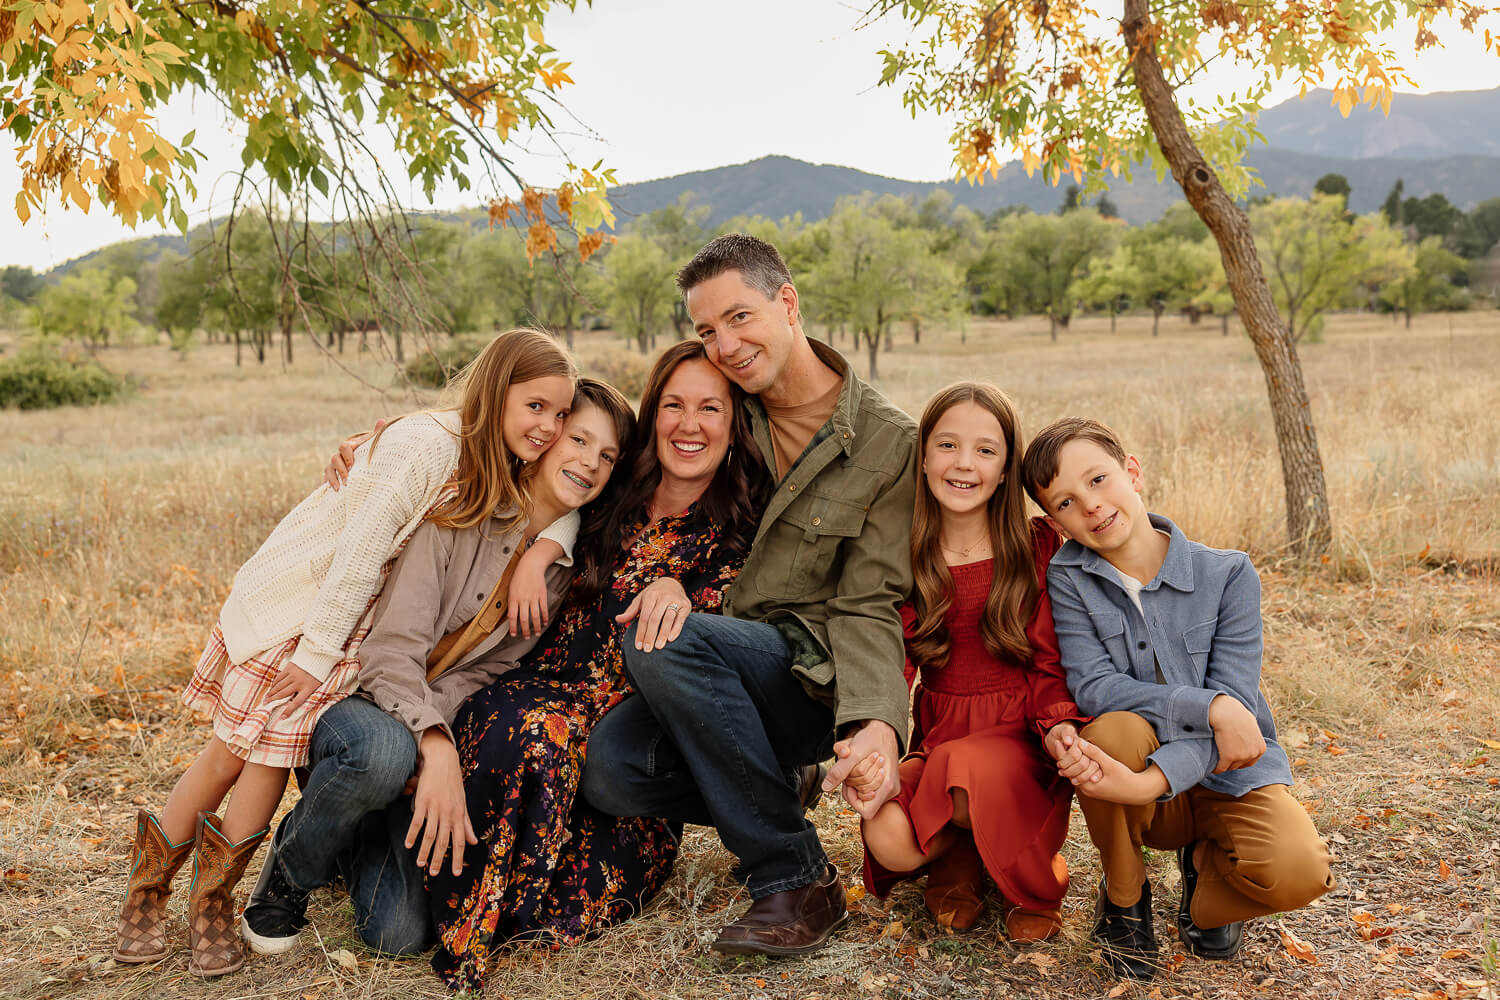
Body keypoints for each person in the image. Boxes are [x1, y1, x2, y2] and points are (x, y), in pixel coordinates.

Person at [112, 328, 577, 977]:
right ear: (497, 391)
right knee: (226, 757)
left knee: (269, 763)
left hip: (341, 635)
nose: (550, 427)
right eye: (536, 407)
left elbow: (569, 500)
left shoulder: (492, 458)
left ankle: (212, 903)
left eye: (560, 414)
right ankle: (147, 896)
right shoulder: (427, 446)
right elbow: (361, 549)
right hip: (300, 615)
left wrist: (552, 545)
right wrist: (315, 652)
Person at [580, 233, 917, 955]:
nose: (725, 345)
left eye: (739, 318)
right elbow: (594, 433)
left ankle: (795, 875)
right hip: (717, 677)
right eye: (706, 329)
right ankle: (776, 788)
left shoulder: (888, 443)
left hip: (803, 679)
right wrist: (423, 434)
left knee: (660, 635)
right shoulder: (731, 403)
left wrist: (878, 724)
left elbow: (869, 602)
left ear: (787, 303)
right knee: (613, 767)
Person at [236, 380, 631, 962]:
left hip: (418, 723)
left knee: (396, 935)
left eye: (607, 456)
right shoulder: (459, 510)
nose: (588, 462)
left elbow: (481, 675)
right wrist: (434, 744)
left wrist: (431, 732)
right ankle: (292, 868)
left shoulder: (559, 573)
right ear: (546, 437)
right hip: (356, 699)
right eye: (578, 439)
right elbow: (390, 652)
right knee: (381, 755)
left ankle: (346, 816)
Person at [428, 341, 773, 991]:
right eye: (673, 404)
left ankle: (511, 907)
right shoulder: (613, 486)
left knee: (578, 897)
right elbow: (520, 459)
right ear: (653, 413)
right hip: (539, 682)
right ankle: (469, 916)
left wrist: (682, 593)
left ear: (735, 424)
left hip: (627, 722)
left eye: (710, 408)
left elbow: (735, 638)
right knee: (527, 725)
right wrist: (539, 552)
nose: (689, 424)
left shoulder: (742, 528)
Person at [1020, 417, 1335, 981]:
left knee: (1299, 871)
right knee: (1109, 731)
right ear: (1056, 523)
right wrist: (1208, 707)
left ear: (1133, 471)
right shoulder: (1068, 577)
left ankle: (1207, 878)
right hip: (1140, 791)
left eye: (1098, 479)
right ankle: (1124, 896)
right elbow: (1093, 685)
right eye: (1066, 501)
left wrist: (1212, 721)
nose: (1090, 505)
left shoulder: (1229, 573)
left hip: (1229, 775)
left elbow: (1236, 727)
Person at [856, 383, 1098, 943]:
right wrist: (877, 738)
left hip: (1022, 732)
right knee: (885, 829)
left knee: (968, 775)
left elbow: (1053, 654)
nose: (964, 464)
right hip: (941, 736)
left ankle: (1030, 880)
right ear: (922, 456)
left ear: (1007, 465)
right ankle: (961, 855)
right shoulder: (905, 549)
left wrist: (1060, 720)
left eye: (986, 450)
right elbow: (891, 656)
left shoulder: (1035, 544)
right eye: (947, 445)